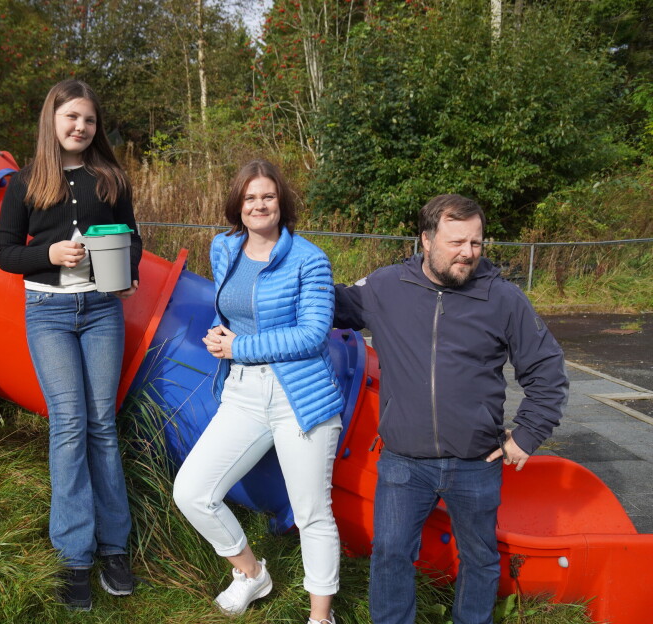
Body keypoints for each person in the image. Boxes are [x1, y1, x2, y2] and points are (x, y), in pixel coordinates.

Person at [333, 194, 569, 624]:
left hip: (477, 462)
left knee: (479, 559)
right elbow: (328, 306)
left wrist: (527, 435)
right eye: (456, 242)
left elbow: (547, 369)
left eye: (476, 243)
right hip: (404, 462)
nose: (468, 253)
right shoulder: (387, 287)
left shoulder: (503, 298)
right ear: (425, 239)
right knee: (389, 555)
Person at [173, 160, 344, 624]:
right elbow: (228, 312)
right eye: (250, 198)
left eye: (267, 196)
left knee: (312, 513)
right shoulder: (225, 248)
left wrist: (239, 346)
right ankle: (251, 573)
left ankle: (320, 616)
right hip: (244, 393)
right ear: (238, 205)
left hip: (300, 397)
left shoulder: (309, 258)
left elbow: (312, 333)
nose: (259, 205)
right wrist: (217, 334)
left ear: (281, 203)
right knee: (192, 491)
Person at [0, 79, 142, 611]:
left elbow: (132, 236)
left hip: (103, 311)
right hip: (49, 314)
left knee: (102, 422)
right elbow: (5, 253)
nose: (80, 127)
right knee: (69, 423)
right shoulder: (27, 183)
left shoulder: (110, 178)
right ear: (51, 120)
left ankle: (114, 546)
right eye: (71, 117)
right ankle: (74, 555)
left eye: (89, 120)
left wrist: (129, 272)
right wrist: (48, 254)